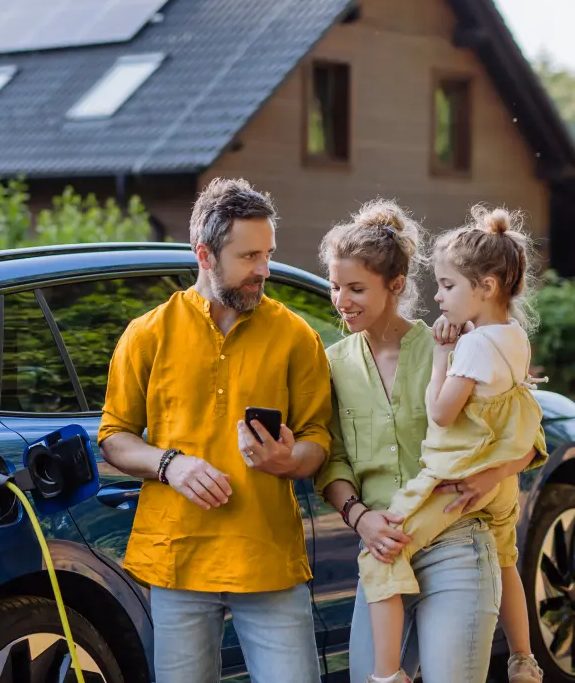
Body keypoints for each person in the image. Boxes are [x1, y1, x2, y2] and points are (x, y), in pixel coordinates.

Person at [98, 177, 332, 683]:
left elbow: (319, 439)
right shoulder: (147, 335)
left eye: (267, 254)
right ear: (204, 254)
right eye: (249, 257)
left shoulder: (297, 337)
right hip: (177, 560)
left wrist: (290, 461)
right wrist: (169, 464)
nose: (264, 270)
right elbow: (114, 436)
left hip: (267, 560)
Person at [315, 199, 547, 683]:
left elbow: (523, 435)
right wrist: (361, 519)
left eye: (356, 288)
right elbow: (332, 460)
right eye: (336, 287)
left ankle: (522, 657)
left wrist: (492, 474)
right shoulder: (332, 363)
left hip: (459, 541)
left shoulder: (456, 342)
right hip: (383, 546)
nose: (341, 300)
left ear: (395, 285)